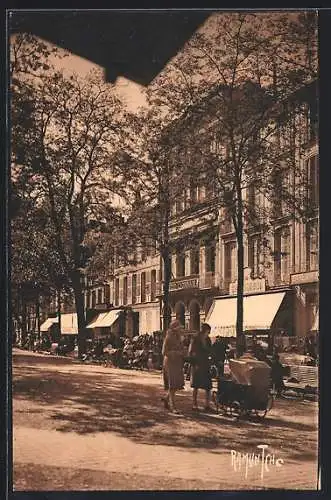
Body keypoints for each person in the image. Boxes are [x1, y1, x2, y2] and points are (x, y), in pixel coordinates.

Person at [161, 320, 185, 414]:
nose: (180, 329)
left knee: (175, 385)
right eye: (179, 328)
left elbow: (181, 348)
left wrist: (183, 351)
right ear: (174, 328)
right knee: (172, 385)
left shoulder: (179, 337)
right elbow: (164, 352)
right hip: (170, 363)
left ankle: (167, 399)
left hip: (177, 363)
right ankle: (173, 406)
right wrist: (176, 353)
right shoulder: (168, 337)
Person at [189, 323, 213, 412]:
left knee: (208, 386)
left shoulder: (208, 340)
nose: (209, 333)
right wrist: (194, 363)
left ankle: (207, 405)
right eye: (208, 331)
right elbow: (191, 351)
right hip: (197, 364)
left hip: (205, 364)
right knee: (196, 385)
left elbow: (210, 350)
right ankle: (194, 404)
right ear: (204, 330)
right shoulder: (195, 339)